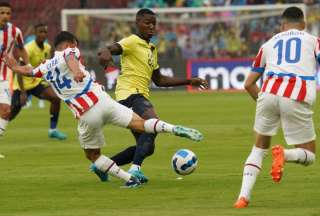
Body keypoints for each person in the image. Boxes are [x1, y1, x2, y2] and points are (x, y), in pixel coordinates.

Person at [3, 31, 203, 187]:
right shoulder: (70, 50)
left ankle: (129, 178)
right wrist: (76, 71)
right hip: (104, 101)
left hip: (86, 115)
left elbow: (28, 71)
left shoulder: (45, 66)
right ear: (70, 43)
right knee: (142, 125)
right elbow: (71, 60)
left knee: (93, 156)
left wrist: (13, 67)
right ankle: (173, 128)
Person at [97, 8, 208, 183]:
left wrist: (188, 81)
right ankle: (135, 171)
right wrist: (105, 53)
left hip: (137, 95)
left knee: (147, 146)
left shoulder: (152, 49)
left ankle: (103, 165)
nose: (151, 27)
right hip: (130, 95)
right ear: (137, 23)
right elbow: (111, 48)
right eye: (147, 23)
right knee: (152, 123)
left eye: (154, 24)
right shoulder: (132, 41)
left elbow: (160, 80)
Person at [234, 6, 319, 208]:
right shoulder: (312, 40)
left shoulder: (268, 43)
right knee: (309, 155)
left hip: (268, 93)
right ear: (304, 24)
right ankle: (285, 154)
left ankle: (242, 198)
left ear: (282, 25)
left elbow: (248, 84)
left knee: (258, 148)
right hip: (295, 94)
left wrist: (267, 103)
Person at [11, 23, 66, 140]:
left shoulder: (47, 47)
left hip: (35, 82)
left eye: (45, 32)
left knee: (55, 98)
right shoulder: (28, 48)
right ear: (35, 33)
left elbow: (50, 66)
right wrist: (23, 93)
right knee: (10, 113)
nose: (43, 34)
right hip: (22, 85)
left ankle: (53, 130)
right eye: (40, 32)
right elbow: (19, 71)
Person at [0, 2, 29, 158]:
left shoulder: (15, 31)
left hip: (4, 77)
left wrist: (28, 64)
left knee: (6, 111)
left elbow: (22, 48)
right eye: (2, 12)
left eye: (7, 13)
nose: (5, 16)